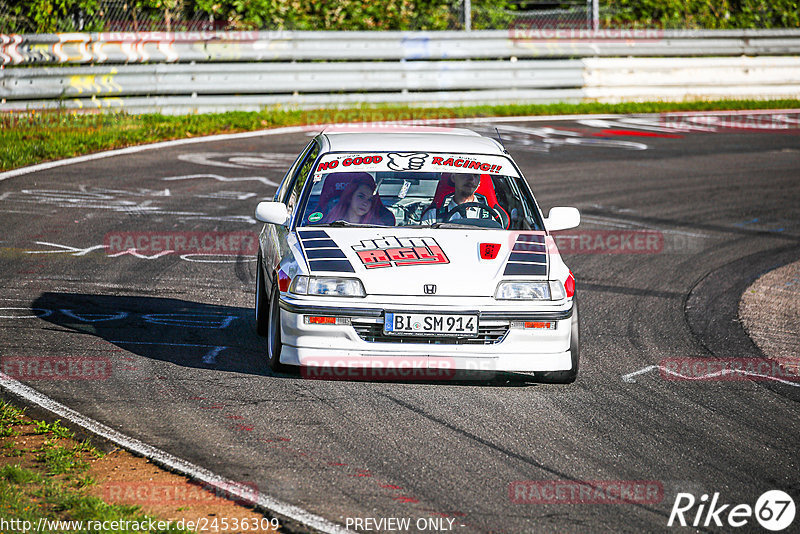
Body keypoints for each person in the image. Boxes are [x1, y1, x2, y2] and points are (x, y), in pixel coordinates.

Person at [321, 173, 395, 226]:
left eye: (370, 200)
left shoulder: (377, 227)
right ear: (350, 197)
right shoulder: (328, 224)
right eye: (361, 196)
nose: (365, 203)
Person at [421, 172, 494, 224]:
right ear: (453, 177)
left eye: (476, 175)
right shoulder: (433, 216)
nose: (472, 179)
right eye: (466, 174)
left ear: (479, 182)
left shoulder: (492, 216)